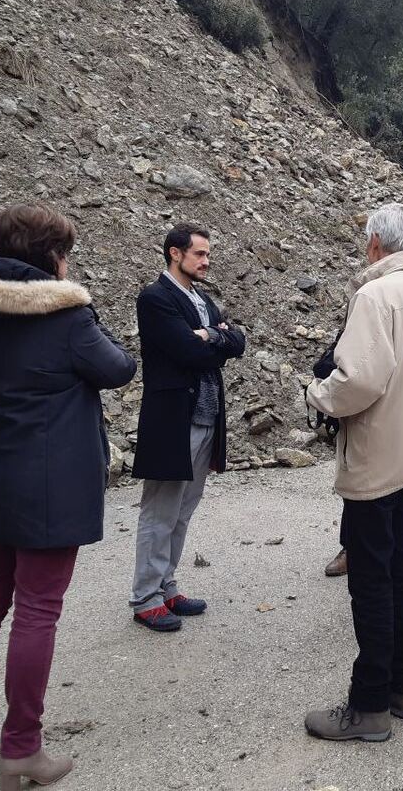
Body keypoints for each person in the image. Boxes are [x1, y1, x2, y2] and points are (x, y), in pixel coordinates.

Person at [0, 203, 137, 790]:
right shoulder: (67, 317)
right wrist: (83, 304)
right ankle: (23, 750)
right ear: (54, 257)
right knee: (37, 608)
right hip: (50, 485)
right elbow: (118, 369)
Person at [303, 203, 403, 742]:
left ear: (375, 244)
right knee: (399, 574)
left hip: (373, 461)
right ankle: (402, 690)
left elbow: (358, 381)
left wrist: (317, 395)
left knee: (370, 582)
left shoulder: (374, 296)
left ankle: (368, 706)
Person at [130, 223, 246, 632]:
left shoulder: (203, 300)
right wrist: (217, 340)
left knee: (182, 512)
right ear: (175, 254)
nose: (206, 261)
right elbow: (186, 351)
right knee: (159, 511)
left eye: (207, 254)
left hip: (205, 417)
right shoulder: (155, 298)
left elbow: (238, 343)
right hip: (172, 421)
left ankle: (167, 587)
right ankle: (145, 597)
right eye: (199, 254)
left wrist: (210, 336)